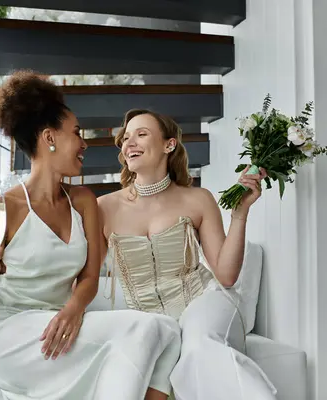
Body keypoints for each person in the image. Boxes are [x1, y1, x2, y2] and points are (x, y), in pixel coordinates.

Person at [0, 72, 181, 400]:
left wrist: (73, 309)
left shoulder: (83, 202)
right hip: (1, 331)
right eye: (76, 133)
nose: (84, 143)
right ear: (49, 137)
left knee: (169, 331)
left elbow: (91, 276)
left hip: (56, 324)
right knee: (147, 328)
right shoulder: (4, 208)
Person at [98, 109, 278, 400]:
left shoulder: (198, 198)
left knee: (196, 346)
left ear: (169, 145)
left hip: (203, 301)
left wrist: (240, 214)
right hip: (148, 319)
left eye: (141, 134)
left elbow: (227, 276)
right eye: (126, 137)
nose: (129, 142)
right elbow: (81, 270)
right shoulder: (104, 207)